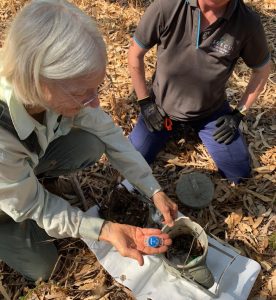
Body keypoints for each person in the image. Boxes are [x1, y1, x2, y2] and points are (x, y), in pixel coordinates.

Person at [0, 0, 178, 282]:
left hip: (14, 171)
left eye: (96, 88)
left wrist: (152, 188)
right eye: (82, 92)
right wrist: (104, 229)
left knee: (91, 143)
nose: (94, 102)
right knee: (45, 269)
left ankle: (32, 175)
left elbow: (107, 132)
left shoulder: (43, 88)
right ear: (41, 83)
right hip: (4, 197)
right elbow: (32, 204)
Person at [128, 0, 271, 184]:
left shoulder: (247, 22)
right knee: (132, 160)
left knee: (239, 171)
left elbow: (262, 70)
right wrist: (145, 103)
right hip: (161, 107)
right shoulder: (167, 6)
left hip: (211, 111)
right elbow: (135, 53)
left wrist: (238, 114)